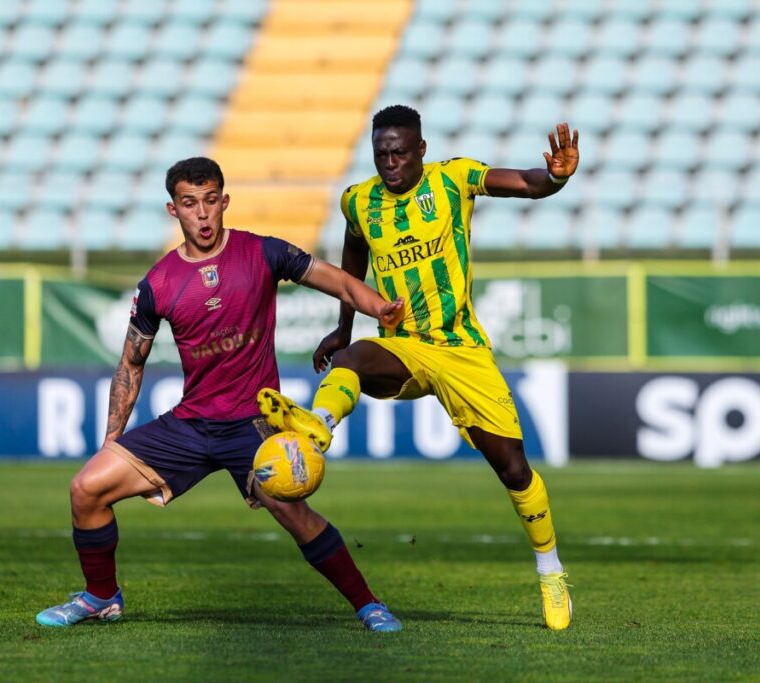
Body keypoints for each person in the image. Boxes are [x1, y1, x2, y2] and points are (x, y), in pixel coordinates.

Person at [36, 157, 406, 632]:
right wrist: (112, 437)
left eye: (211, 201)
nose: (203, 214)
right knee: (86, 488)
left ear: (224, 201)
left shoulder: (262, 253)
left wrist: (379, 306)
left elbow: (331, 277)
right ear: (174, 210)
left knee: (291, 508)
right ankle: (101, 596)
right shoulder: (159, 283)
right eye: (191, 204)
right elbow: (132, 362)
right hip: (190, 424)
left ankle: (368, 604)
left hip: (252, 424)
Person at [257, 105, 580, 631]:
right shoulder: (358, 201)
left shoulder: (452, 180)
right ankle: (318, 428)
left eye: (399, 153)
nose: (390, 163)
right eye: (381, 153)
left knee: (514, 469)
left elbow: (524, 181)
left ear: (421, 151)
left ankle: (550, 570)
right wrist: (344, 324)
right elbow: (351, 261)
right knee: (351, 359)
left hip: (462, 351)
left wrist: (556, 178)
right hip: (403, 345)